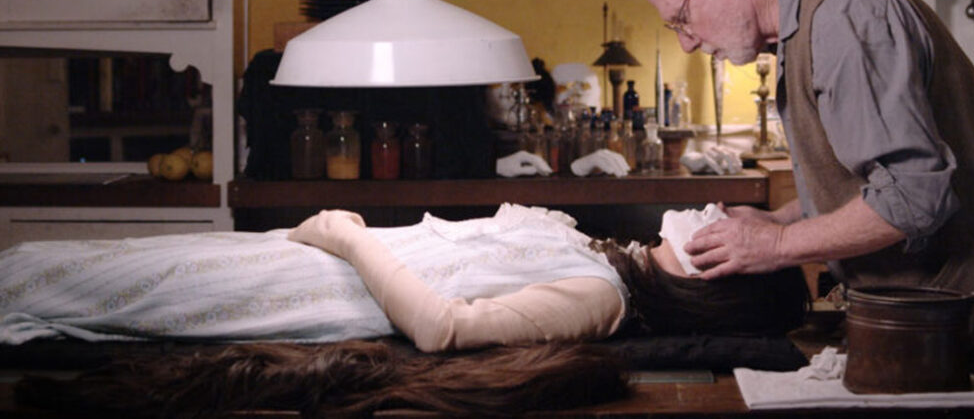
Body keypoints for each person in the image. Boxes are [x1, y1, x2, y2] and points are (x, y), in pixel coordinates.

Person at [634, 0, 974, 403]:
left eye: (681, 18)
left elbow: (914, 196)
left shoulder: (845, 18)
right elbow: (871, 180)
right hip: (950, 313)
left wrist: (775, 247)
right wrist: (782, 219)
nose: (686, 41)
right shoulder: (806, 22)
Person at [0, 204, 806, 349]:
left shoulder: (601, 299)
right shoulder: (607, 257)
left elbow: (442, 327)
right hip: (316, 254)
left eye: (732, 221)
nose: (712, 204)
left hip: (320, 288)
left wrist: (347, 238)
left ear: (722, 273)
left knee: (61, 283)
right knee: (71, 265)